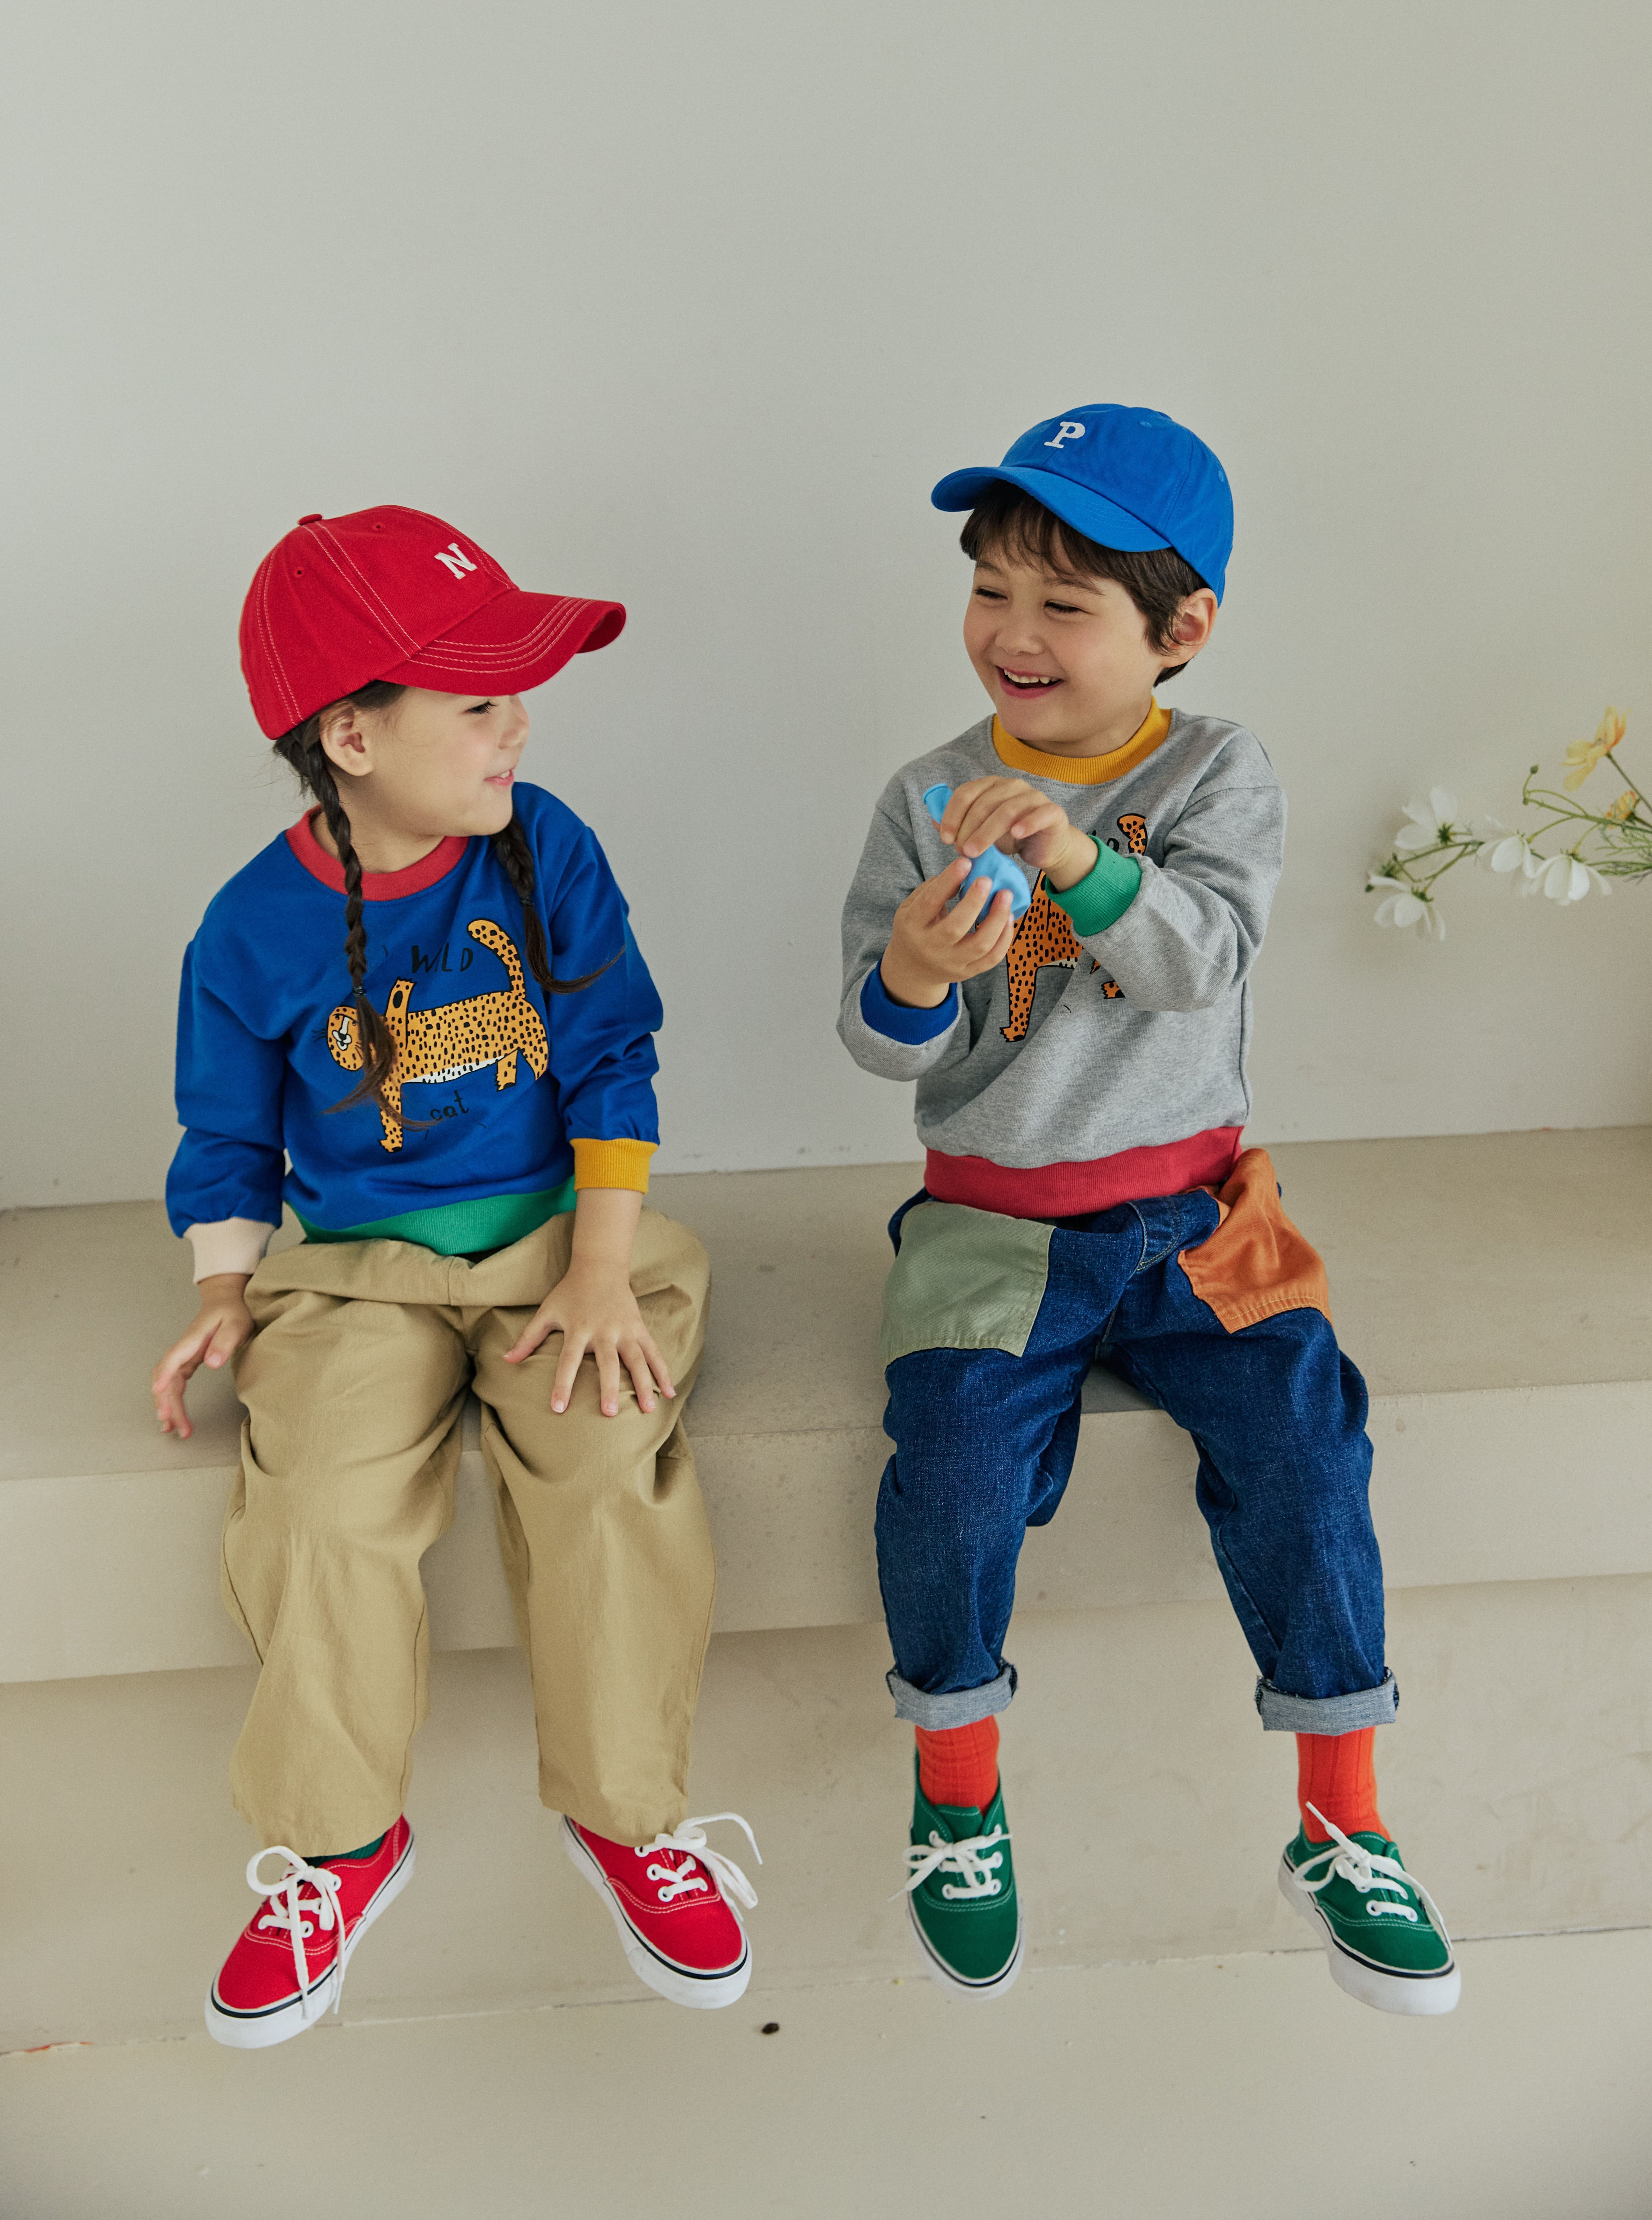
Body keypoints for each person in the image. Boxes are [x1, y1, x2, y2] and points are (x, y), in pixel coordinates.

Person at [837, 407, 1457, 2016]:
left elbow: (1202, 958)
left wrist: (1075, 857)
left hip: (1194, 1213)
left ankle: (1343, 1814)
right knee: (954, 1466)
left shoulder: (1213, 769)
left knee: (1305, 1441)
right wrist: (913, 968)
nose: (1013, 631)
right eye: (990, 589)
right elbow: (877, 1038)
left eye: (1062, 602)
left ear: (1179, 629)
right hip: (990, 1224)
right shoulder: (926, 793)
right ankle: (956, 1788)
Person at [151, 506, 758, 2048]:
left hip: (564, 1239)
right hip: (360, 1267)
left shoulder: (542, 845)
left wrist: (603, 1267)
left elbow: (612, 1049)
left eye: (517, 696)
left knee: (605, 1466)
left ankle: (625, 1814)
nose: (518, 727)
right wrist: (224, 1292)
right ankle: (338, 1846)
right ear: (352, 736)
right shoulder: (251, 927)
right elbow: (226, 1132)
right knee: (316, 1503)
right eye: (479, 702)